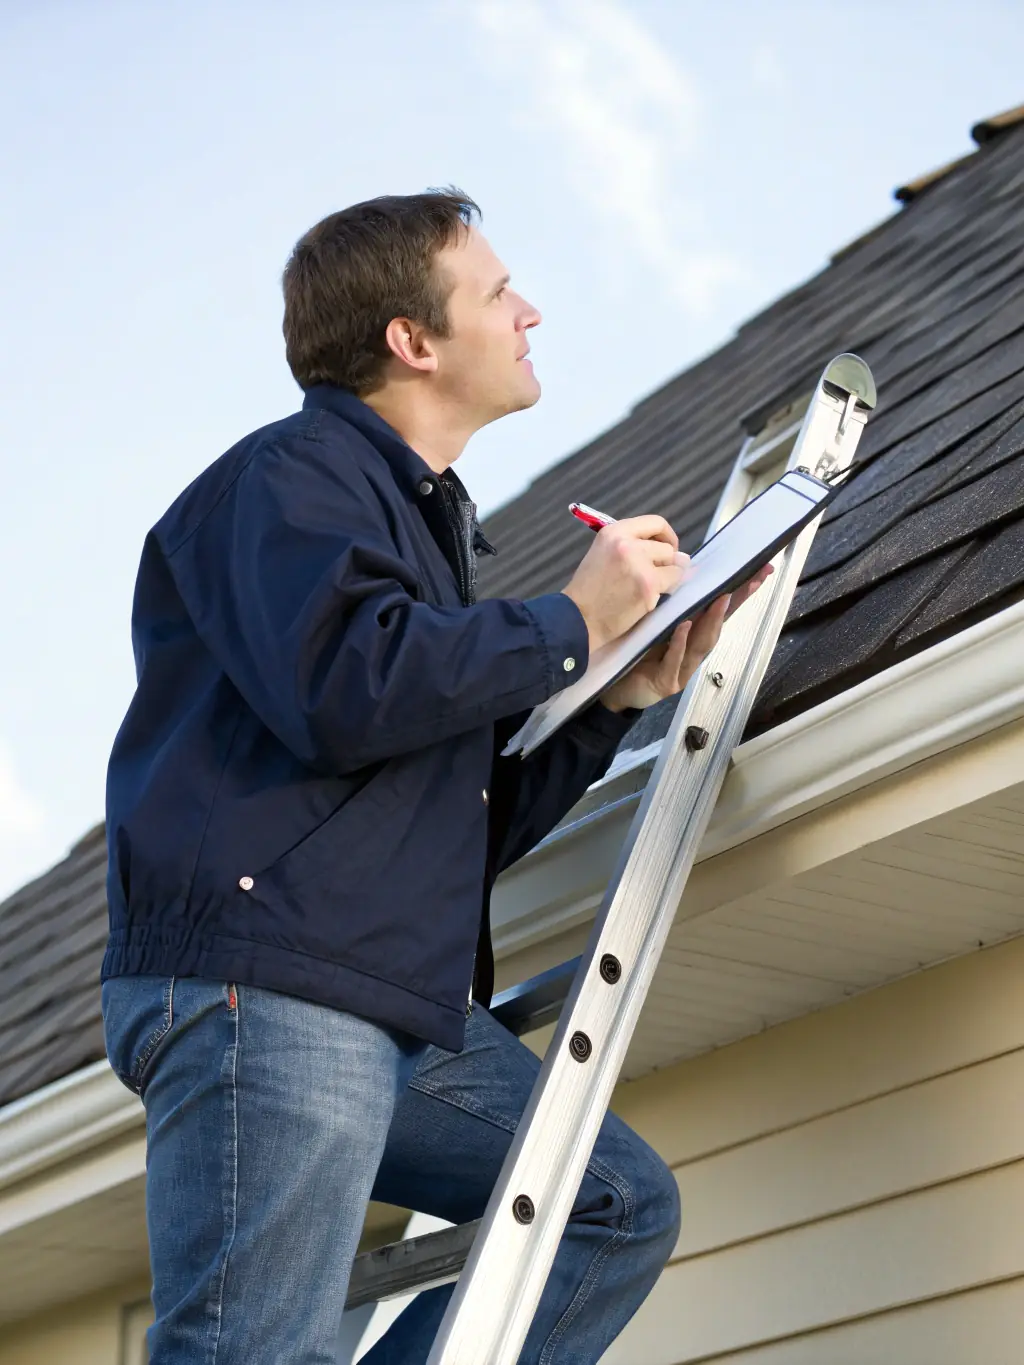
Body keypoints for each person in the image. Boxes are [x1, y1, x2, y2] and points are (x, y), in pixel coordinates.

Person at [101, 189, 770, 1365]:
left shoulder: (419, 533)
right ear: (413, 341)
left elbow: (449, 822)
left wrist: (614, 693)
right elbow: (342, 683)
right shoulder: (290, 478)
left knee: (608, 1209)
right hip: (277, 981)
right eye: (498, 292)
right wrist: (569, 618)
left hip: (385, 987)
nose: (531, 312)